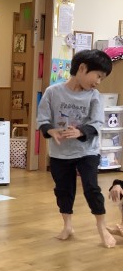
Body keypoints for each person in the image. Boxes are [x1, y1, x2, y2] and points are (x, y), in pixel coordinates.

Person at [36, 49, 113, 247]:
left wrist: (80, 132)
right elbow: (42, 119)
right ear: (82, 68)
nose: (98, 82)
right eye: (98, 76)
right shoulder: (52, 92)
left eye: (102, 78)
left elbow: (97, 123)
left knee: (91, 188)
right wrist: (51, 130)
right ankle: (67, 225)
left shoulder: (95, 96)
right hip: (60, 153)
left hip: (87, 152)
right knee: (63, 190)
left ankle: (102, 227)